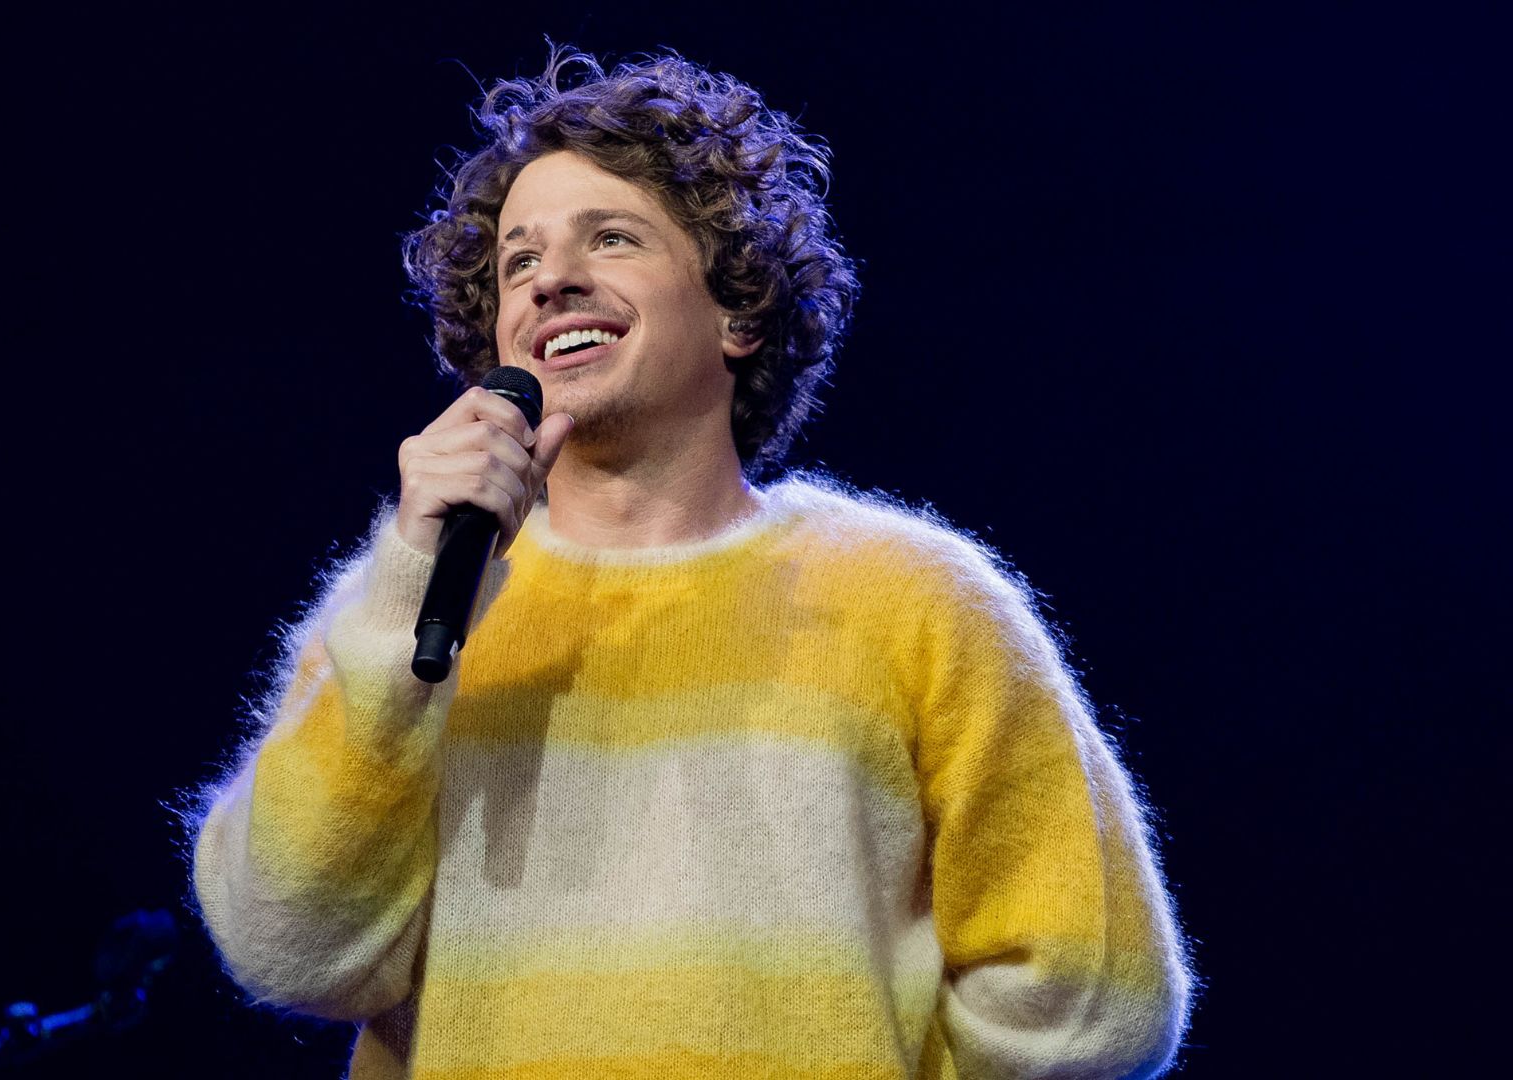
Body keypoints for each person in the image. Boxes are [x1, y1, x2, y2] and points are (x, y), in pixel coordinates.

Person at [187, 47, 1191, 1079]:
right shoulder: (411, 604)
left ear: (740, 310)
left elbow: (1095, 999)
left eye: (610, 239)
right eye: (517, 263)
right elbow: (290, 949)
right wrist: (409, 579)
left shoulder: (912, 599)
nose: (552, 280)